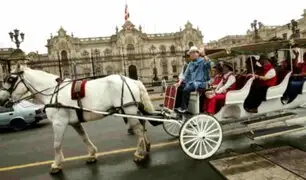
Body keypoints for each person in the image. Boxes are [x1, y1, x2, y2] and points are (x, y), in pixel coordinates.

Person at [175, 46, 211, 113]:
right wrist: (179, 83)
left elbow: (209, 65)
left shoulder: (203, 61)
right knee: (179, 88)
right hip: (192, 83)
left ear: (198, 53)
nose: (192, 54)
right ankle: (177, 106)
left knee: (186, 89)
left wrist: (204, 55)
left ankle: (184, 108)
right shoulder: (190, 64)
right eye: (191, 53)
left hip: (201, 83)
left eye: (194, 52)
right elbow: (185, 75)